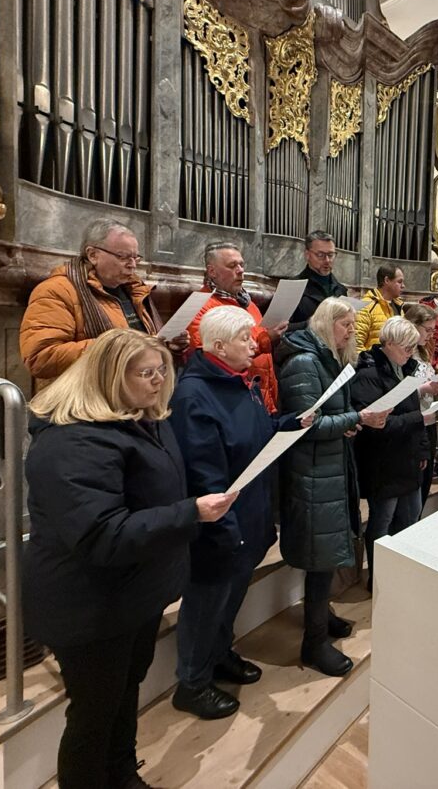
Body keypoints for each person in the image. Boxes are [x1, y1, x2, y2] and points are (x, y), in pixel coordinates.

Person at [22, 329, 234, 789]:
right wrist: (190, 512)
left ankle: (121, 773)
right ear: (107, 376)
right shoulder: (72, 443)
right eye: (146, 373)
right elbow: (102, 534)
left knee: (125, 694)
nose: (158, 381)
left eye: (163, 371)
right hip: (88, 604)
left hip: (133, 593)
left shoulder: (141, 420)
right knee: (93, 715)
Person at [169, 307, 313, 720]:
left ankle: (219, 655)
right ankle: (191, 683)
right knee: (205, 604)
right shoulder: (194, 395)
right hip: (219, 525)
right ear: (217, 346)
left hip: (249, 515)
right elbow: (203, 474)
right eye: (245, 339)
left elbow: (259, 429)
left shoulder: (238, 382)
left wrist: (290, 422)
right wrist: (228, 531)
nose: (255, 344)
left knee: (229, 599)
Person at [275, 297, 389, 675]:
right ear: (326, 324)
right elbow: (303, 426)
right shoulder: (305, 363)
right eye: (345, 324)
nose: (351, 331)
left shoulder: (329, 359)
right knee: (319, 560)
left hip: (330, 466)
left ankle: (322, 618)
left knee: (326, 554)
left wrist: (348, 422)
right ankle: (313, 643)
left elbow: (328, 418)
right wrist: (356, 417)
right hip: (311, 472)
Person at [20, 219, 186, 388]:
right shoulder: (56, 291)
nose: (132, 265)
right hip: (86, 402)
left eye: (136, 258)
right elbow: (40, 358)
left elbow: (145, 342)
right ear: (93, 255)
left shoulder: (135, 290)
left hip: (134, 395)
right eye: (123, 257)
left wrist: (168, 345)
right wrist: (118, 346)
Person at [351, 317, 432, 589]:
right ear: (388, 343)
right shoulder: (368, 375)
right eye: (406, 347)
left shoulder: (404, 371)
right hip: (382, 462)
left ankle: (401, 572)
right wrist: (419, 419)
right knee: (381, 523)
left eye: (412, 347)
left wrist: (422, 449)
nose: (410, 353)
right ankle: (379, 579)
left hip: (407, 458)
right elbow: (377, 426)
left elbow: (412, 415)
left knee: (410, 519)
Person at [185, 241, 285, 411]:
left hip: (262, 398)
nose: (240, 270)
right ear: (212, 271)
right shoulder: (200, 307)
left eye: (241, 264)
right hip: (232, 401)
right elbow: (209, 354)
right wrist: (265, 339)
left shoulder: (248, 304)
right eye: (232, 266)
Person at [404, 304, 438, 508]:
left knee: (426, 481)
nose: (431, 335)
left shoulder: (423, 353)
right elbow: (397, 393)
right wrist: (424, 389)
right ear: (412, 326)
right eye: (427, 330)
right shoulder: (403, 354)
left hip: (429, 420)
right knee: (414, 486)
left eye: (433, 330)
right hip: (412, 421)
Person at [289, 230, 348, 332]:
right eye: (320, 255)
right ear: (307, 255)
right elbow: (280, 329)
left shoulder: (341, 290)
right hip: (304, 345)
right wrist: (312, 323)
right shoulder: (291, 287)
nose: (327, 260)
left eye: (330, 255)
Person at [355, 264, 405, 351]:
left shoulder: (400, 307)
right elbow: (356, 344)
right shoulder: (366, 306)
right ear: (387, 280)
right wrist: (370, 364)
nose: (403, 286)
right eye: (399, 282)